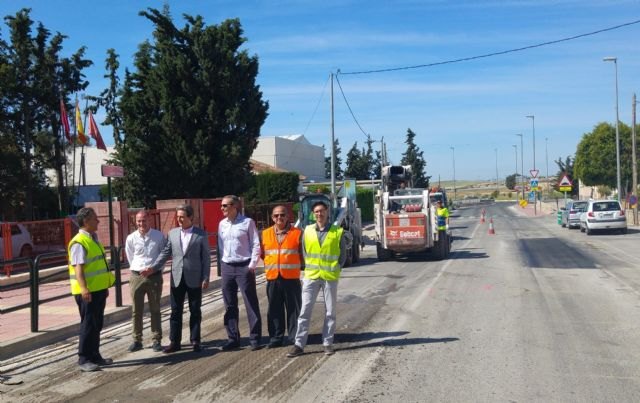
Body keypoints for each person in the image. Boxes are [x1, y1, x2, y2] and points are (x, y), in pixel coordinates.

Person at [145, 204, 210, 353]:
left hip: (194, 278)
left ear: (191, 217)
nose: (179, 219)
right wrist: (153, 267)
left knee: (195, 310)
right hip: (177, 277)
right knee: (176, 311)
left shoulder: (200, 234)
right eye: (178, 216)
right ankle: (175, 342)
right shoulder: (173, 233)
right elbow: (165, 252)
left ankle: (195, 340)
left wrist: (205, 277)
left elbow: (206, 258)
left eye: (182, 216)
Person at [287, 200, 346, 358]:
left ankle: (327, 343)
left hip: (329, 277)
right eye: (317, 212)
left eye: (322, 211)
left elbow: (343, 255)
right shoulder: (307, 231)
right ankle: (299, 344)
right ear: (313, 214)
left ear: (327, 212)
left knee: (330, 312)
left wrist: (336, 268)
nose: (319, 214)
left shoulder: (337, 231)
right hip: (311, 276)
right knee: (305, 311)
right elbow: (304, 252)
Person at [68, 207, 115, 372]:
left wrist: (104, 286)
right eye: (95, 218)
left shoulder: (93, 239)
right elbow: (78, 269)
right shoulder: (79, 242)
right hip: (88, 291)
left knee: (97, 324)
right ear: (86, 221)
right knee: (88, 324)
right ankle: (84, 358)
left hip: (98, 289)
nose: (98, 221)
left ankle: (95, 355)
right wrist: (84, 288)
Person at [217, 195, 262, 351]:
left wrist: (251, 265)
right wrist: (222, 264)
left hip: (244, 266)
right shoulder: (222, 224)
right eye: (221, 206)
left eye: (224, 205)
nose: (221, 208)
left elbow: (256, 243)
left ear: (234, 206)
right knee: (229, 304)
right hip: (227, 267)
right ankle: (233, 338)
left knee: (250, 302)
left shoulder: (247, 223)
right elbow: (221, 246)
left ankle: (255, 338)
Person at [260, 205, 303, 349]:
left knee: (294, 309)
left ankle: (294, 337)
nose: (279, 218)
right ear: (272, 217)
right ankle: (276, 337)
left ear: (287, 216)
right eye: (276, 215)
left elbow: (302, 254)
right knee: (274, 309)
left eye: (282, 215)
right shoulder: (265, 234)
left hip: (291, 278)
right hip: (273, 277)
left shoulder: (297, 233)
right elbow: (262, 254)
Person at [125, 211, 166, 353]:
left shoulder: (159, 236)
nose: (142, 224)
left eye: (144, 220)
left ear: (149, 220)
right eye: (139, 221)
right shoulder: (131, 238)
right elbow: (130, 256)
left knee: (155, 309)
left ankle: (156, 339)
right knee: (137, 310)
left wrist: (154, 270)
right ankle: (137, 340)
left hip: (154, 277)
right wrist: (138, 270)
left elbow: (163, 256)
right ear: (135, 222)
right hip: (136, 277)